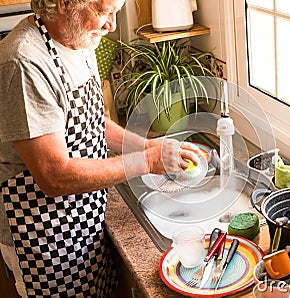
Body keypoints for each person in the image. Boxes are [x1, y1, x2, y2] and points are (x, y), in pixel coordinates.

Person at [0, 0, 202, 296]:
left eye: (115, 12)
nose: (111, 25)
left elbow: (94, 123)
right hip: (41, 239)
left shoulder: (79, 40)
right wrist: (148, 160)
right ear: (63, 3)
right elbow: (54, 176)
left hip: (86, 220)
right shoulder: (23, 62)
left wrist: (147, 144)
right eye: (103, 12)